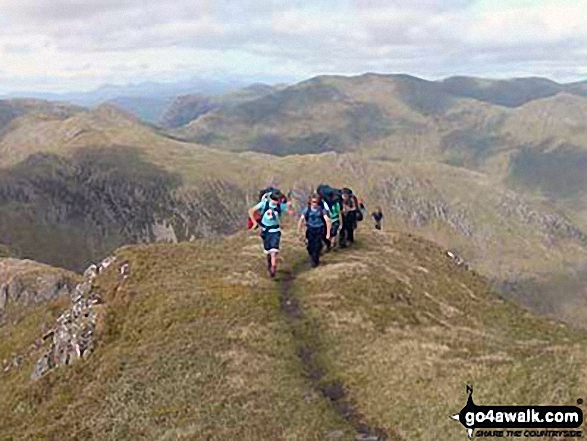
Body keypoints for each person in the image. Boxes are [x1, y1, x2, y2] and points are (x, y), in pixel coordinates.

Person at [248, 190, 288, 278]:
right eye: (276, 200)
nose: (277, 202)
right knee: (268, 250)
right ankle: (270, 264)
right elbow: (251, 211)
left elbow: (289, 209)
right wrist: (254, 222)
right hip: (265, 231)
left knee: (274, 250)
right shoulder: (264, 204)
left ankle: (273, 266)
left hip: (275, 230)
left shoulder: (280, 206)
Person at [298, 194, 331, 268]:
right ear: (310, 202)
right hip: (310, 229)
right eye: (313, 202)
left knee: (317, 245)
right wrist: (299, 231)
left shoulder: (321, 210)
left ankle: (315, 261)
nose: (314, 203)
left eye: (316, 202)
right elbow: (301, 219)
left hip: (319, 229)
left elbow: (327, 220)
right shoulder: (307, 209)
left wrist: (328, 233)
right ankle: (312, 256)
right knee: (310, 246)